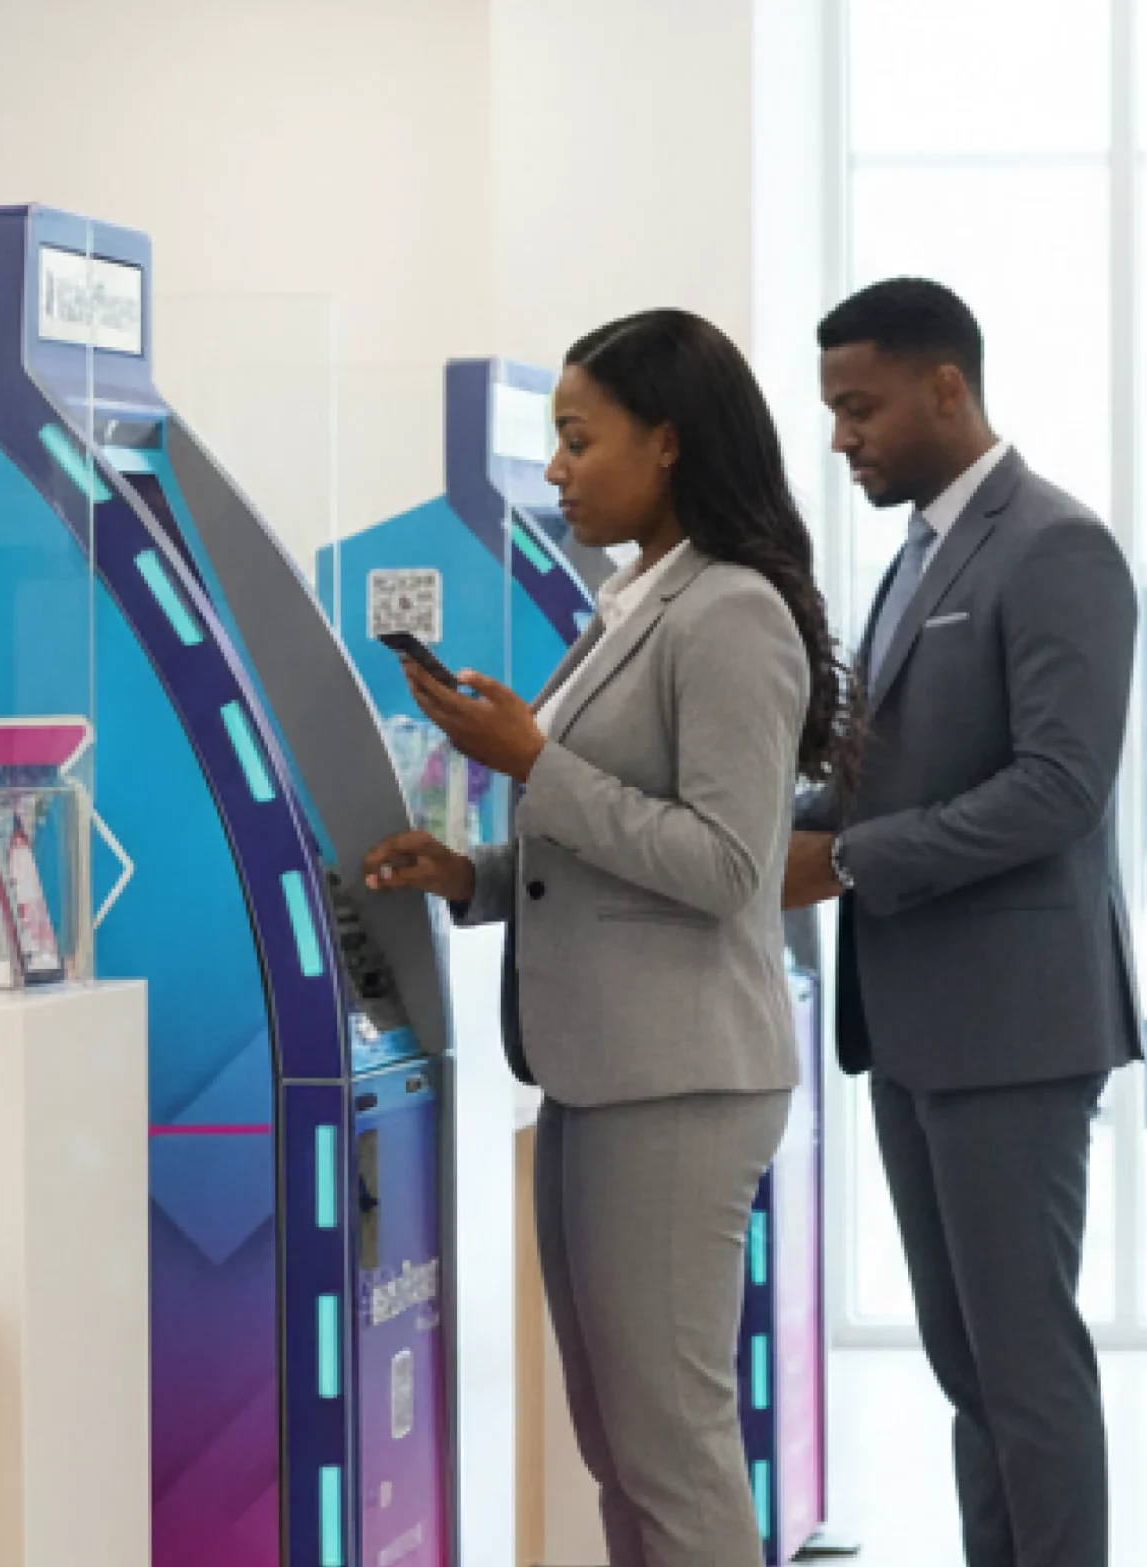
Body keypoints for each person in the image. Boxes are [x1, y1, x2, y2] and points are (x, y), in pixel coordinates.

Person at [360, 308, 856, 1567]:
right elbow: (605, 841)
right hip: (602, 1071)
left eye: (579, 441)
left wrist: (530, 759)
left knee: (672, 1456)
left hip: (680, 1081)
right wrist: (473, 871)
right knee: (620, 1449)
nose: (558, 471)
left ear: (670, 443)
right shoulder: (639, 597)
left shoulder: (733, 613)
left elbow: (729, 865)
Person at [785, 277, 1140, 1567]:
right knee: (966, 1366)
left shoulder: (1054, 545)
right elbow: (886, 773)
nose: (841, 438)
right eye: (832, 410)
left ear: (947, 387)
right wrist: (765, 826)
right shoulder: (916, 559)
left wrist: (848, 863)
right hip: (920, 1025)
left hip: (1014, 1030)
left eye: (859, 406)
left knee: (1024, 1365)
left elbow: (1058, 789)